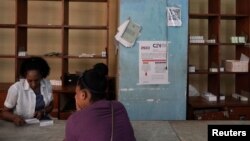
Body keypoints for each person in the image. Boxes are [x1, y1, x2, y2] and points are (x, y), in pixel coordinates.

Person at [65, 63, 136, 141]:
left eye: (76, 93)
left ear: (83, 95)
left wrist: (78, 116)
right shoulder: (119, 107)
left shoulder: (74, 121)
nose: (75, 96)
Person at [2, 57, 53, 126]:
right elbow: (4, 113)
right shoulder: (16, 88)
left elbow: (51, 105)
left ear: (42, 75)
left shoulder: (47, 84)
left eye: (37, 80)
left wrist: (42, 112)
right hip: (21, 125)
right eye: (30, 80)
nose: (33, 84)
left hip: (42, 123)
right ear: (25, 76)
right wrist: (14, 118)